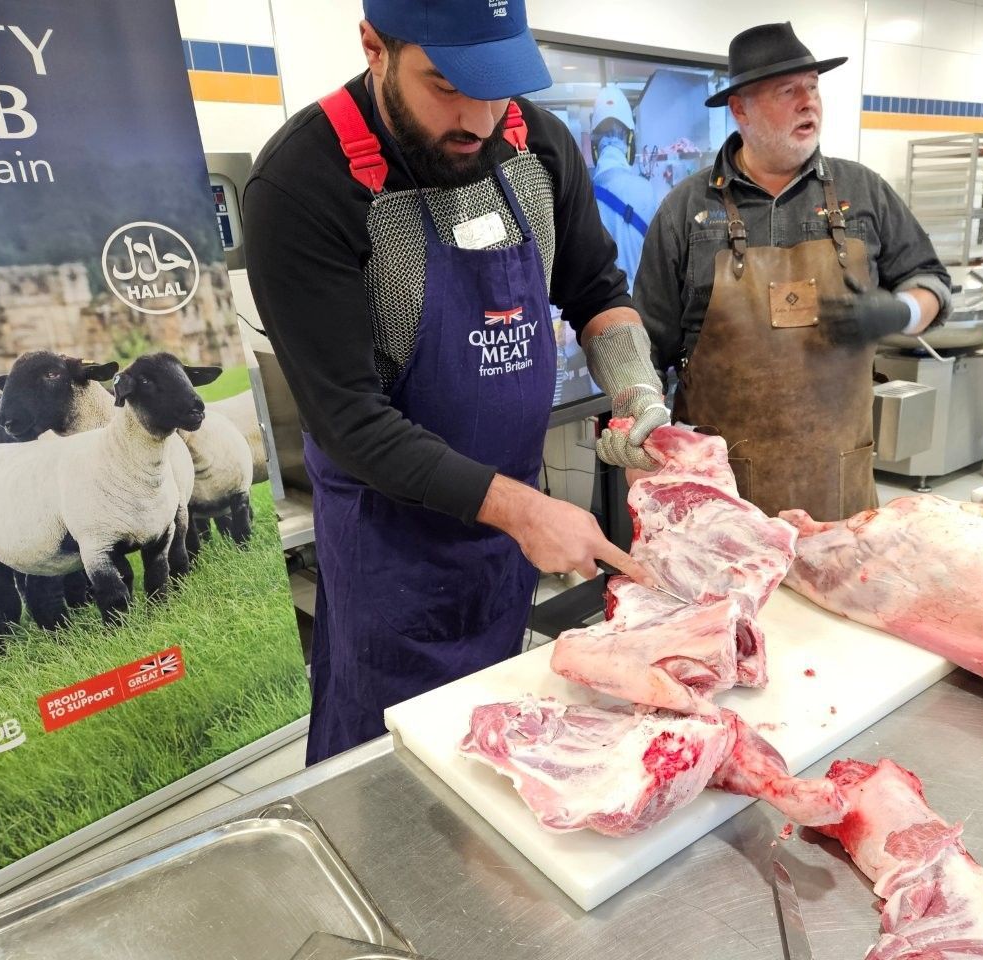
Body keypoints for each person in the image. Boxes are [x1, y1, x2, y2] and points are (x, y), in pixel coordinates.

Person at [243, 0, 668, 764]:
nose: (476, 118)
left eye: (495, 87)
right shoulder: (302, 182)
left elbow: (598, 292)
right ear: (375, 47)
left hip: (509, 528)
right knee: (393, 751)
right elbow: (350, 419)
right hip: (391, 541)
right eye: (445, 86)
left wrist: (639, 393)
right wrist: (524, 510)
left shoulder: (535, 144)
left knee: (493, 734)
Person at [635, 22, 952, 520]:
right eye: (789, 91)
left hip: (837, 487)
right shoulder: (685, 211)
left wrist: (900, 310)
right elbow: (645, 349)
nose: (810, 103)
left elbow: (932, 281)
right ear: (740, 108)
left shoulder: (864, 192)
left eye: (813, 87)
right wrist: (644, 443)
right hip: (722, 496)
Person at [590, 84, 658, 293]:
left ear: (595, 146)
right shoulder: (647, 191)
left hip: (599, 317)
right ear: (630, 141)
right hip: (641, 311)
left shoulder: (580, 196)